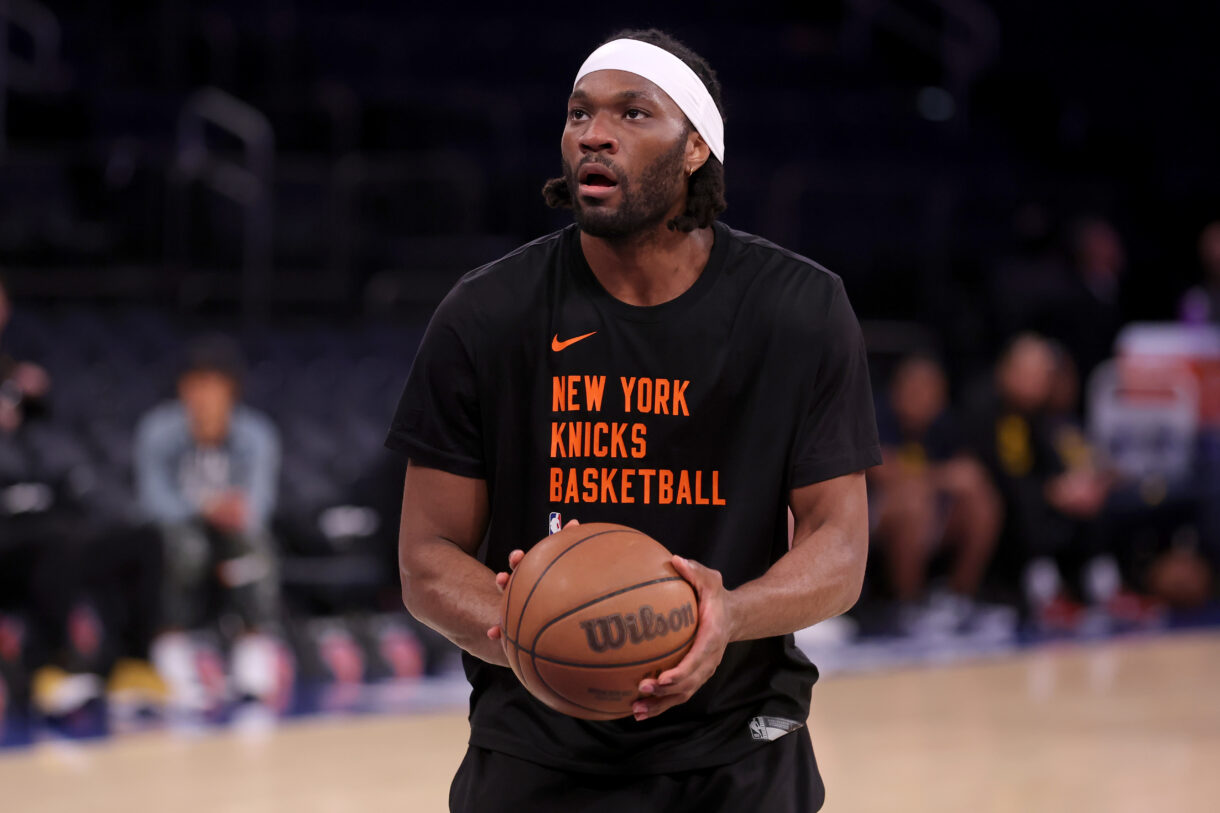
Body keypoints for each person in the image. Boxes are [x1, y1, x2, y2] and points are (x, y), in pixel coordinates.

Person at [388, 30, 879, 812]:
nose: (594, 133)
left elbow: (840, 547)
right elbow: (426, 557)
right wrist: (530, 628)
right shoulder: (488, 312)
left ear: (695, 148)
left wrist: (729, 614)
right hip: (535, 756)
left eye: (632, 112)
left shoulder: (799, 309)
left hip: (741, 752)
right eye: (579, 112)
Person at [134, 336, 285, 711]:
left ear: (231, 390)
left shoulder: (257, 434)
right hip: (178, 529)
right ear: (182, 389)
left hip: (233, 532)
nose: (203, 396)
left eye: (213, 385)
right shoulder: (157, 430)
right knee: (186, 548)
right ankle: (171, 647)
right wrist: (204, 507)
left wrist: (234, 511)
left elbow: (260, 503)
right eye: (195, 384)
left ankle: (252, 647)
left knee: (253, 546)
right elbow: (153, 501)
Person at [868, 354, 1002, 633]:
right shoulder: (876, 415)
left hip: (934, 513)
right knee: (914, 499)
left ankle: (958, 598)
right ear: (897, 389)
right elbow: (880, 470)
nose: (922, 398)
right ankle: (908, 605)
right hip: (873, 515)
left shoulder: (944, 424)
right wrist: (940, 477)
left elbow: (968, 471)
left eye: (931, 392)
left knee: (982, 501)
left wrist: (941, 479)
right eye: (915, 390)